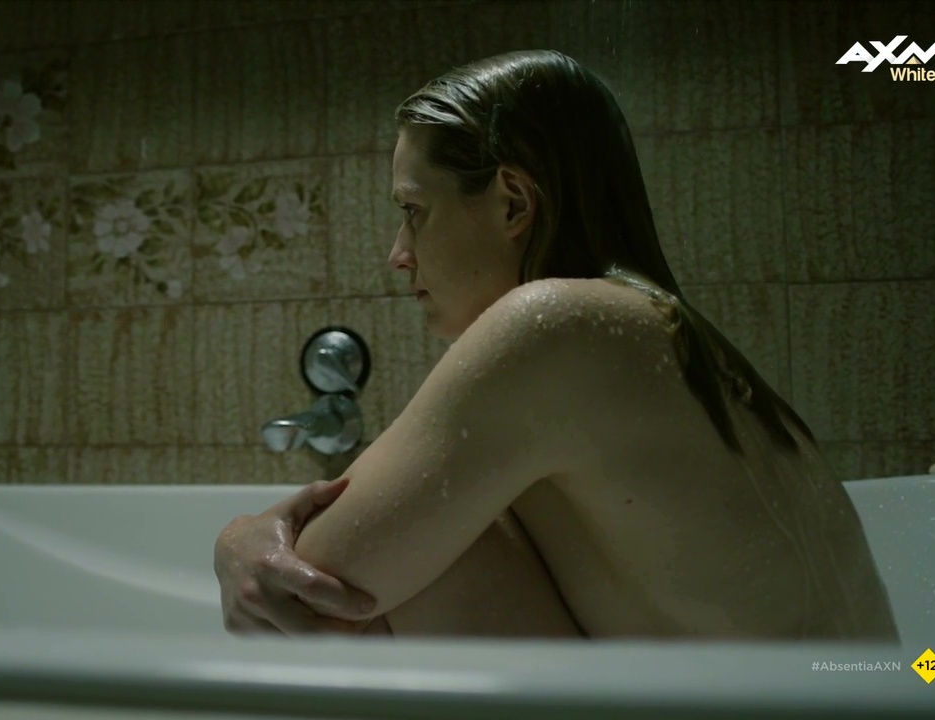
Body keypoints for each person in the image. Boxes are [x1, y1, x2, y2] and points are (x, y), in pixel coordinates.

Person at [213, 50, 899, 641]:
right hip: (865, 693)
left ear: (513, 202)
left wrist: (238, 538)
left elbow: (305, 589)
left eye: (414, 211)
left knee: (433, 553)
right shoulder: (668, 336)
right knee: (441, 525)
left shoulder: (555, 325)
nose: (399, 253)